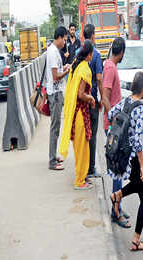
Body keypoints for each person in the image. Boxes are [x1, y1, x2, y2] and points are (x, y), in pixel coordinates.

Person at [109, 72, 143, 252]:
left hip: (121, 154)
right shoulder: (140, 108)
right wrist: (142, 166)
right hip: (132, 157)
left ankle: (117, 195)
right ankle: (135, 241)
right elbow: (136, 140)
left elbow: (111, 114)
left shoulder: (125, 101)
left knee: (137, 186)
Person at [102, 37, 131, 227]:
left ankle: (118, 207)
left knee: (118, 170)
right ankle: (116, 212)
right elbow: (105, 96)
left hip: (114, 126)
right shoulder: (111, 68)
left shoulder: (109, 65)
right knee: (117, 171)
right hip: (113, 128)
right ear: (121, 52)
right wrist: (113, 121)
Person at [59, 40, 95, 189]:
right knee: (82, 149)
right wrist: (91, 98)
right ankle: (79, 181)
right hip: (80, 114)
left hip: (77, 113)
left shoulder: (77, 65)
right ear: (89, 54)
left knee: (81, 147)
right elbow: (81, 94)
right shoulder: (84, 69)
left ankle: (82, 177)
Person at [46, 26, 71, 171]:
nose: (65, 42)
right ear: (60, 37)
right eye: (65, 39)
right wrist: (66, 71)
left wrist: (64, 68)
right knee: (54, 128)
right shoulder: (53, 53)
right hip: (55, 95)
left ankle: (54, 157)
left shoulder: (54, 51)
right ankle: (51, 161)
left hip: (56, 93)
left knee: (55, 127)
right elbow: (55, 77)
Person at [83, 24, 103, 178]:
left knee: (83, 133)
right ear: (93, 36)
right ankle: (91, 167)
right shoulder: (95, 54)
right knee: (93, 134)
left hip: (81, 101)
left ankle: (83, 166)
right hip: (92, 100)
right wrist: (102, 99)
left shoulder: (78, 53)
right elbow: (99, 79)